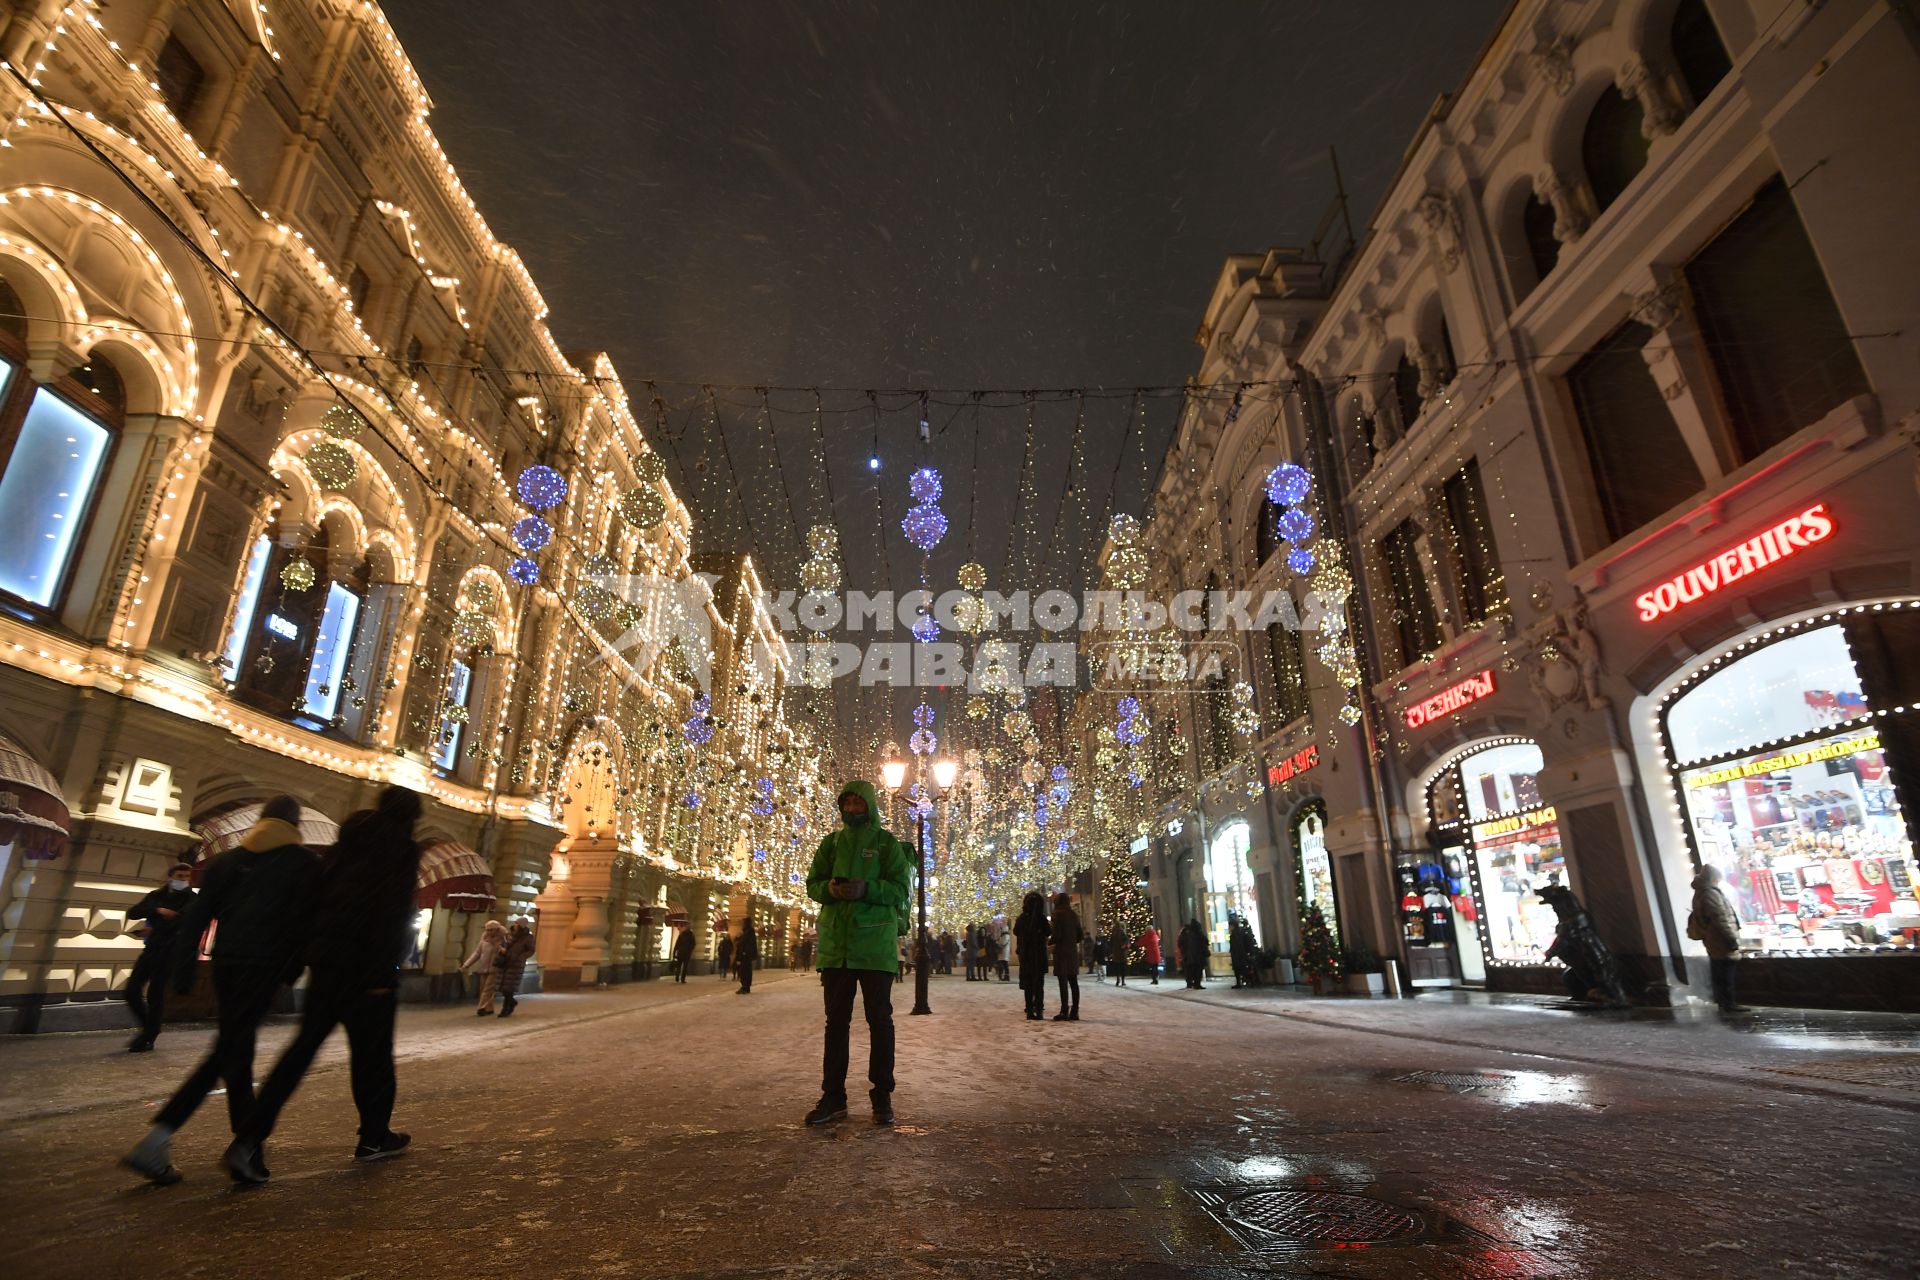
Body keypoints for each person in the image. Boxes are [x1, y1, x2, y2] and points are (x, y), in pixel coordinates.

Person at [221, 785, 425, 1184]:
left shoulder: (343, 847)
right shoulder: (400, 849)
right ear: (409, 818)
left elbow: (311, 905)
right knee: (374, 1059)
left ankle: (247, 1140)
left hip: (327, 966)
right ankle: (373, 1137)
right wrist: (382, 973)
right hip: (368, 972)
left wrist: (297, 961)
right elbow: (391, 911)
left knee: (298, 1055)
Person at [121, 796, 318, 1186]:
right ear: (295, 824)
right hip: (265, 969)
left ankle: (248, 1151)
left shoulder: (228, 861)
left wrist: (184, 968)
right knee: (227, 1051)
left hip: (227, 965)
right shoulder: (302, 864)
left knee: (236, 1052)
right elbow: (306, 923)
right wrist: (291, 971)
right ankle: (159, 1136)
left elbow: (196, 916)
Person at [804, 779, 912, 1127]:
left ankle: (882, 1095)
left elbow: (899, 889)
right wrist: (830, 889)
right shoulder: (832, 843)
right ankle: (833, 1097)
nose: (852, 809)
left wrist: (867, 888)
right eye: (847, 803)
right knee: (836, 1024)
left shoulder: (886, 844)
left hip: (875, 948)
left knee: (879, 1022)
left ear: (870, 805)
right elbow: (812, 884)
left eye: (858, 803)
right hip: (837, 948)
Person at [123, 860, 197, 1052]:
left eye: (187, 877)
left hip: (171, 952)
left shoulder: (192, 900)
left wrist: (156, 928)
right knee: (131, 991)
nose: (184, 880)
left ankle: (149, 1035)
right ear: (170, 877)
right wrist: (157, 910)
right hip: (151, 949)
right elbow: (133, 912)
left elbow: (183, 923)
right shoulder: (156, 896)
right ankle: (150, 1027)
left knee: (155, 993)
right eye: (180, 876)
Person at [1688, 864, 1747, 1013]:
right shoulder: (1710, 894)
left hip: (1713, 938)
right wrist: (1731, 938)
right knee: (1725, 972)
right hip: (1719, 939)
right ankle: (1728, 1003)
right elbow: (1720, 919)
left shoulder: (1702, 892)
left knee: (1720, 970)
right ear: (1713, 878)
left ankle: (1724, 1002)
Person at [1012, 891, 1051, 1020]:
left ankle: (1030, 1010)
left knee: (1028, 984)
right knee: (1038, 984)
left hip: (1026, 956)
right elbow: (1048, 932)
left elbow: (1016, 931)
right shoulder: (1041, 918)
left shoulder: (1022, 918)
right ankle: (1038, 1009)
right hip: (1038, 955)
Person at [461, 919, 507, 1014]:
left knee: (488, 988)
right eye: (487, 930)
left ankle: (481, 1007)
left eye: (491, 930)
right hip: (484, 967)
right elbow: (477, 954)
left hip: (496, 968)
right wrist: (467, 964)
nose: (489, 932)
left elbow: (509, 952)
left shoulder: (503, 939)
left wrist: (502, 950)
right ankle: (489, 1008)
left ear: (497, 930)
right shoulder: (484, 940)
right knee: (483, 989)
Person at [1050, 893, 1083, 1021]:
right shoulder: (1074, 915)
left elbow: (1056, 934)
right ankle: (1075, 1011)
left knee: (1063, 983)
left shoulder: (1057, 914)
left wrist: (1050, 943)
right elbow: (1080, 935)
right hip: (1072, 953)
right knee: (1073, 982)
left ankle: (1064, 1010)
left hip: (1061, 953)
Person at [496, 919, 536, 1015]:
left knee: (509, 987)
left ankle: (505, 1009)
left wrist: (520, 957)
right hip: (505, 961)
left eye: (517, 923)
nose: (515, 925)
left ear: (521, 925)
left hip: (516, 964)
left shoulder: (527, 937)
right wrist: (501, 949)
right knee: (502, 987)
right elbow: (502, 944)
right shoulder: (509, 935)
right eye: (515, 923)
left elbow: (531, 950)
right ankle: (512, 1002)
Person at [1179, 918, 1207, 989]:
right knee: (1197, 970)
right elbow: (1204, 943)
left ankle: (1192, 983)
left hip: (1190, 955)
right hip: (1197, 955)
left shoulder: (1189, 934)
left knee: (1191, 970)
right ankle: (1196, 984)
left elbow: (1181, 944)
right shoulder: (1197, 934)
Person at [735, 917, 758, 994]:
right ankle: (746, 987)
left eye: (743, 922)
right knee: (745, 971)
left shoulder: (749, 931)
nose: (741, 924)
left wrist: (744, 952)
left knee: (744, 971)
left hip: (745, 955)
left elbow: (746, 943)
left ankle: (745, 987)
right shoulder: (746, 931)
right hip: (745, 955)